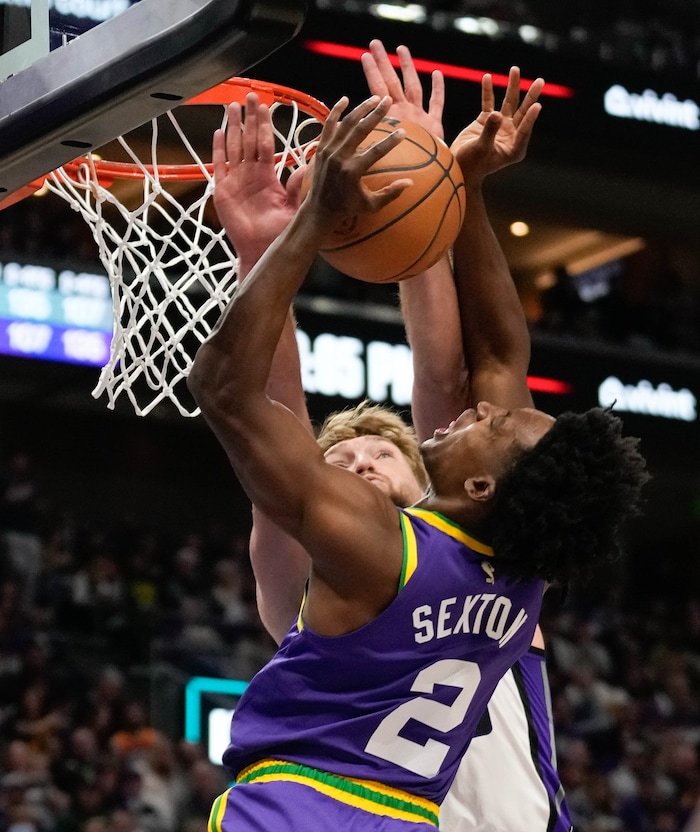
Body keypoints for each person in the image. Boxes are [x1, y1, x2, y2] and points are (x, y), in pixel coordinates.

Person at [188, 88, 648, 830]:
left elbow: (234, 394)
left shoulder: (371, 545)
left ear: (469, 484)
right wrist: (461, 187)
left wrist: (308, 226)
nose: (483, 408)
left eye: (378, 453)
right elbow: (496, 355)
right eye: (344, 458)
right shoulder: (522, 569)